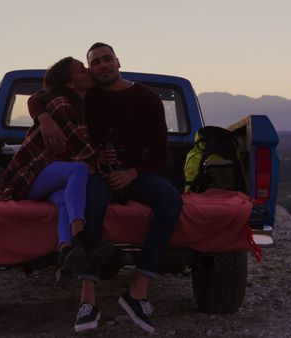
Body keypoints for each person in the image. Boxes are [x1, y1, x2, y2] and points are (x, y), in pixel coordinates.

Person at [33, 43, 183, 334]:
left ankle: (138, 291)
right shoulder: (86, 95)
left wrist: (132, 172)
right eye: (95, 62)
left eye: (106, 59)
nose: (102, 66)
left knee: (171, 200)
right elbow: (40, 99)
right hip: (96, 173)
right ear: (90, 69)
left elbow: (160, 153)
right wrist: (45, 118)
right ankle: (87, 298)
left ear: (118, 61)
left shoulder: (147, 98)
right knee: (92, 202)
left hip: (134, 173)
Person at [0, 56, 113, 275]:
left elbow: (37, 100)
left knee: (64, 200)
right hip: (31, 173)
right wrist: (98, 159)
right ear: (70, 83)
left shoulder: (81, 101)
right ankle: (79, 236)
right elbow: (79, 152)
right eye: (81, 70)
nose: (87, 71)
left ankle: (66, 251)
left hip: (51, 175)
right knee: (79, 169)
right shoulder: (61, 104)